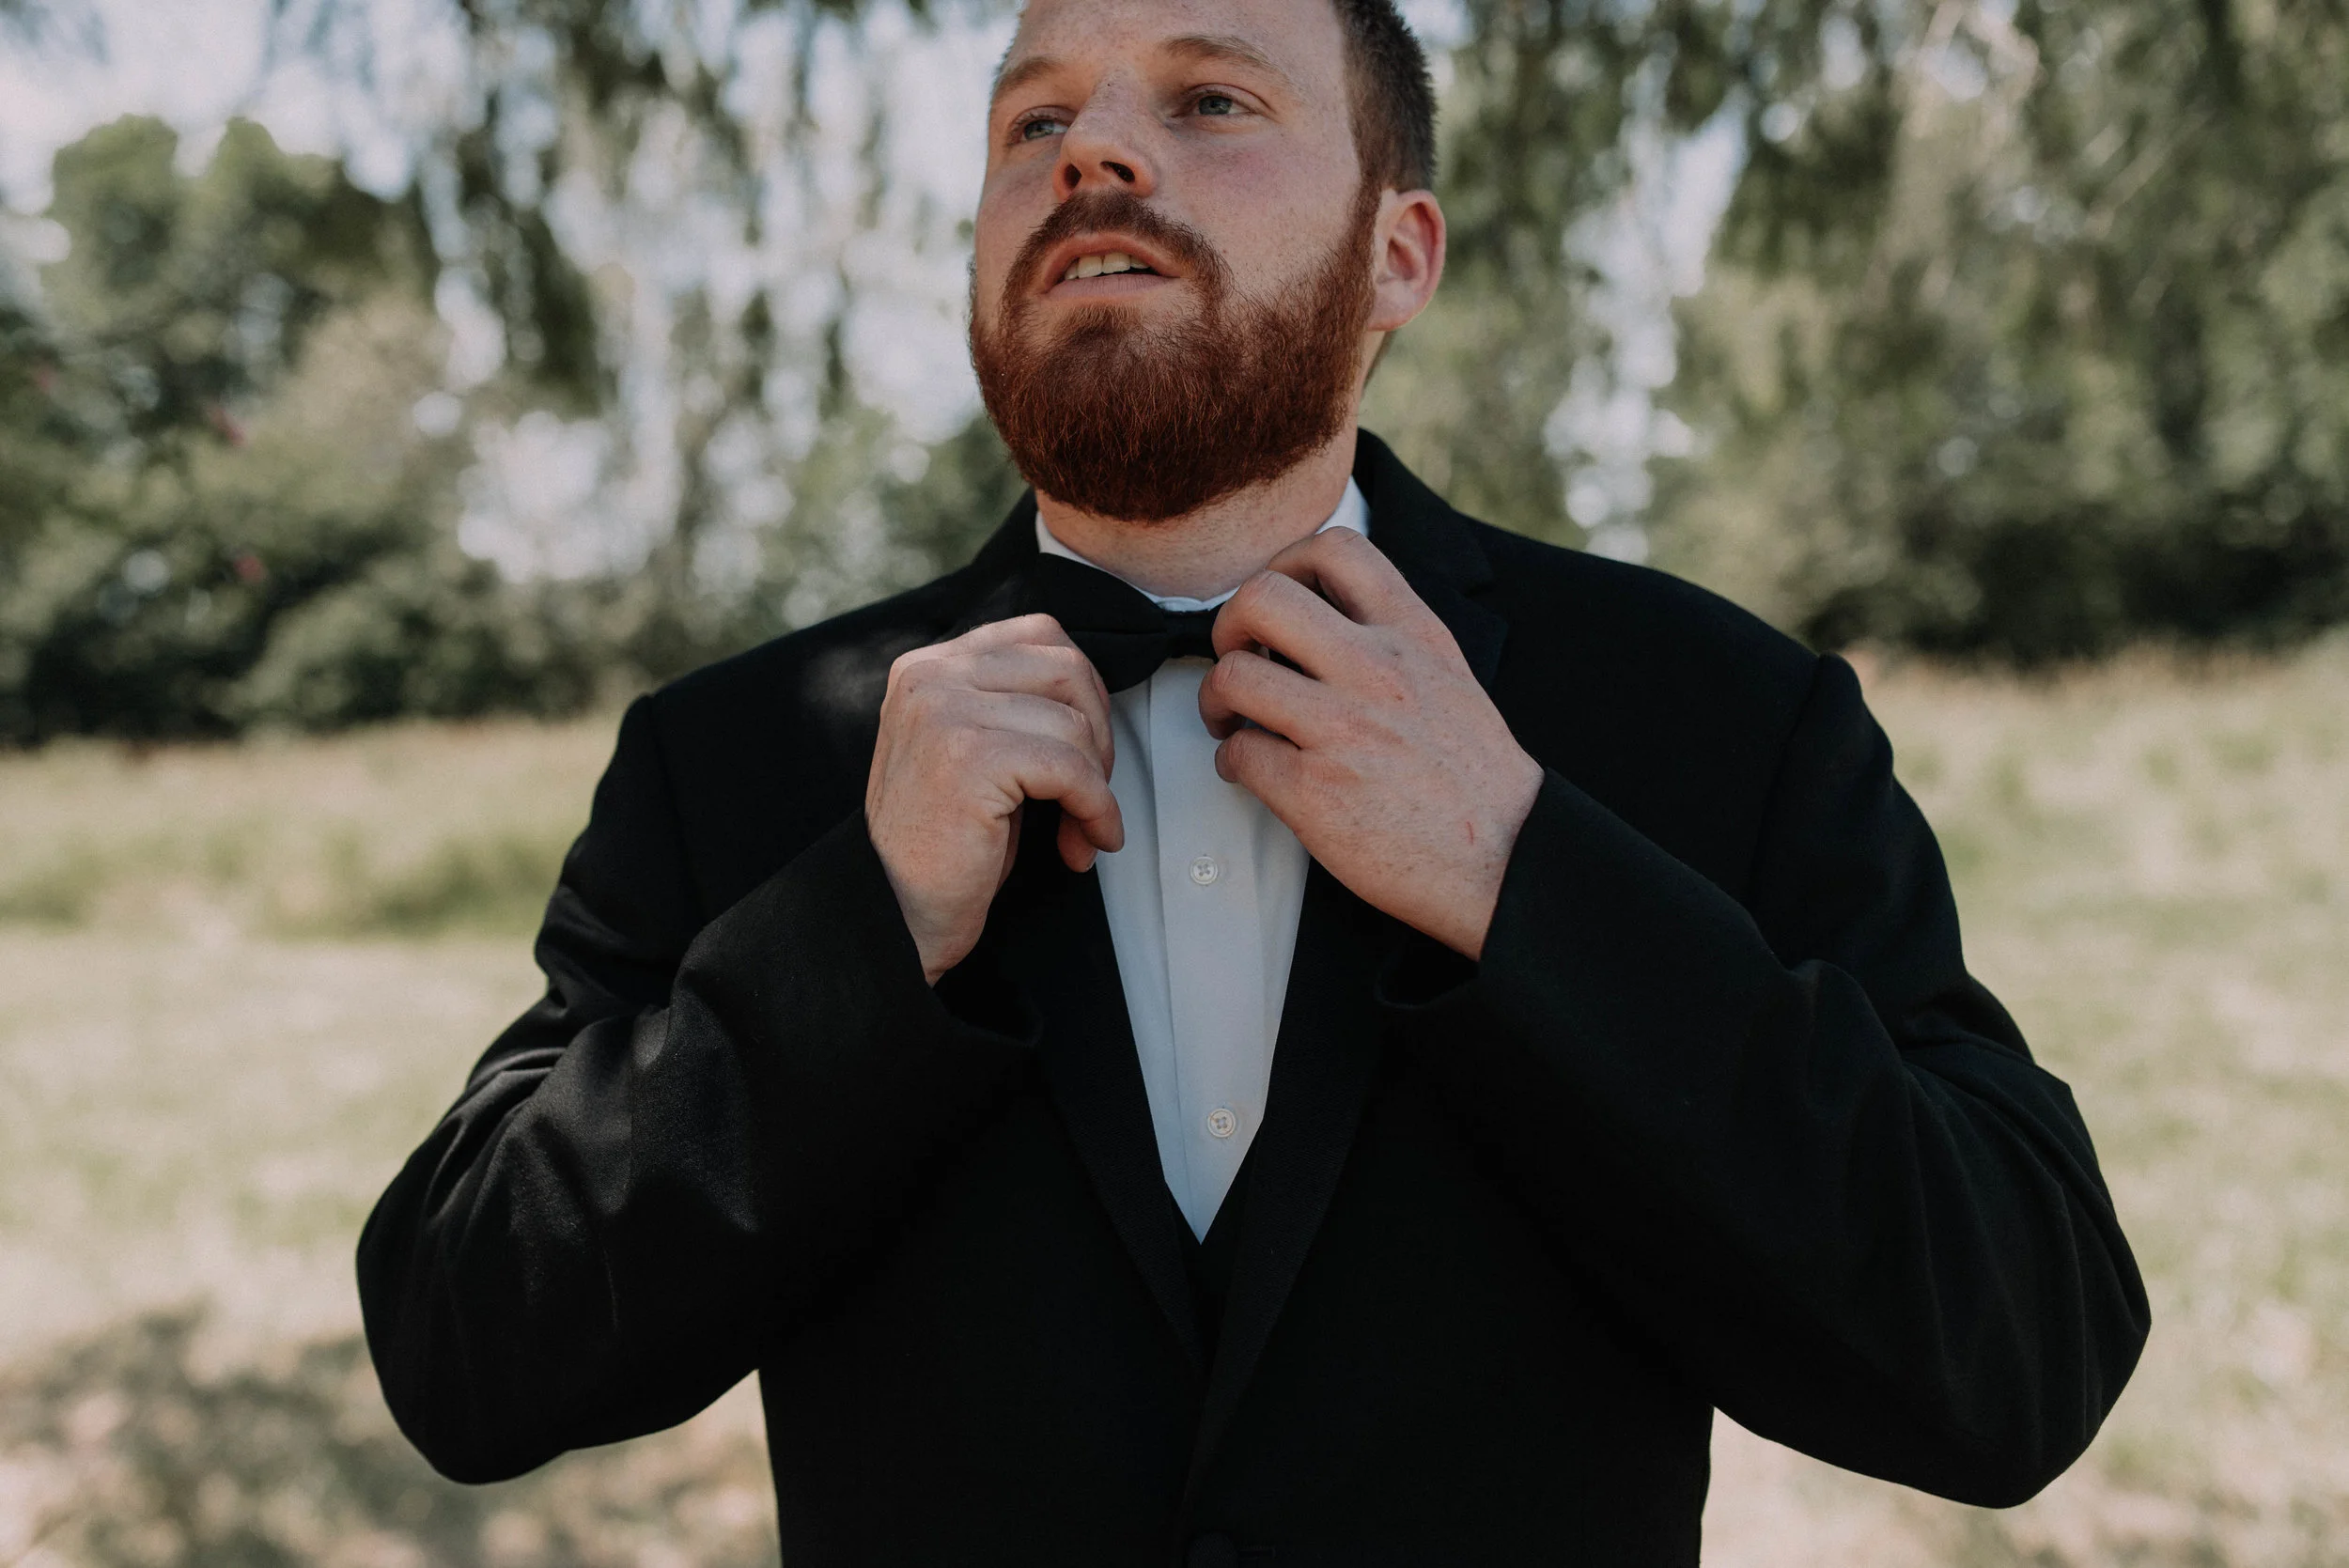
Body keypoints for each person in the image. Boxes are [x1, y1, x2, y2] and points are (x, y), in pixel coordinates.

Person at [356, 0, 2150, 1561]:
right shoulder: (744, 758)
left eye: (1211, 99)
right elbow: (464, 1351)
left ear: (1397, 257)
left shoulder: (1718, 716)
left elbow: (2018, 1350)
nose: (1092, 152)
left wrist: (1524, 876)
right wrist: (857, 931)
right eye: (1033, 121)